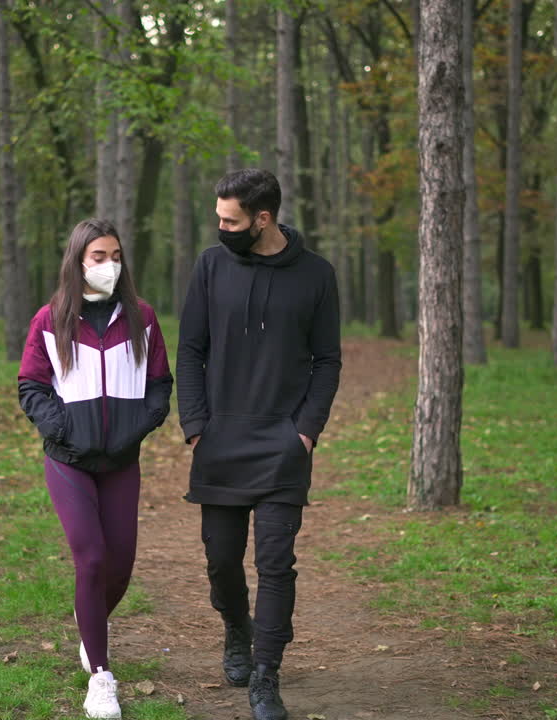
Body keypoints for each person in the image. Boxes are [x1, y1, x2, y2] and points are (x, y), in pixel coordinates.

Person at [176, 169, 342, 720]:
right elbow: (190, 349)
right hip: (219, 439)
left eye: (231, 220)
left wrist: (306, 431)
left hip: (282, 445)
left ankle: (266, 674)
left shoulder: (317, 275)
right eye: (219, 218)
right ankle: (236, 629)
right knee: (222, 561)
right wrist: (196, 424)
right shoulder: (210, 266)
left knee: (275, 564)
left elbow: (328, 360)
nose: (220, 228)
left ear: (262, 219)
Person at [18, 219, 173, 720]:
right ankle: (100, 678)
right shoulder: (51, 320)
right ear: (78, 261)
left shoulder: (142, 317)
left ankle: (90, 623)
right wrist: (60, 427)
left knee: (120, 566)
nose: (110, 265)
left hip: (122, 460)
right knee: (90, 559)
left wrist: (138, 427)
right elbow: (31, 385)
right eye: (99, 257)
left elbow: (160, 384)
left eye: (116, 256)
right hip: (69, 460)